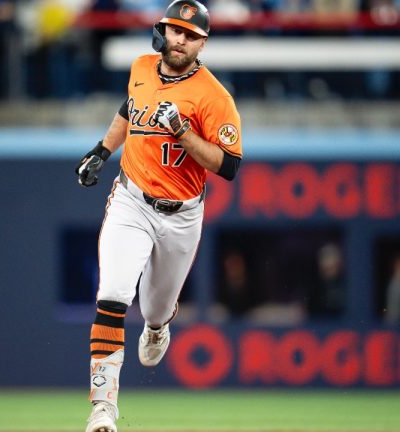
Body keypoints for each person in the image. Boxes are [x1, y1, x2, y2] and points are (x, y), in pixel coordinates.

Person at [74, 1, 243, 431]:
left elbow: (229, 166)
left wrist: (183, 132)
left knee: (155, 308)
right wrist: (101, 150)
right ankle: (103, 409)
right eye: (175, 31)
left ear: (202, 42)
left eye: (190, 34)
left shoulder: (213, 96)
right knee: (112, 295)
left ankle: (157, 326)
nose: (181, 40)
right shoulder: (141, 67)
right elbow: (129, 110)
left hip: (181, 214)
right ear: (163, 31)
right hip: (131, 198)